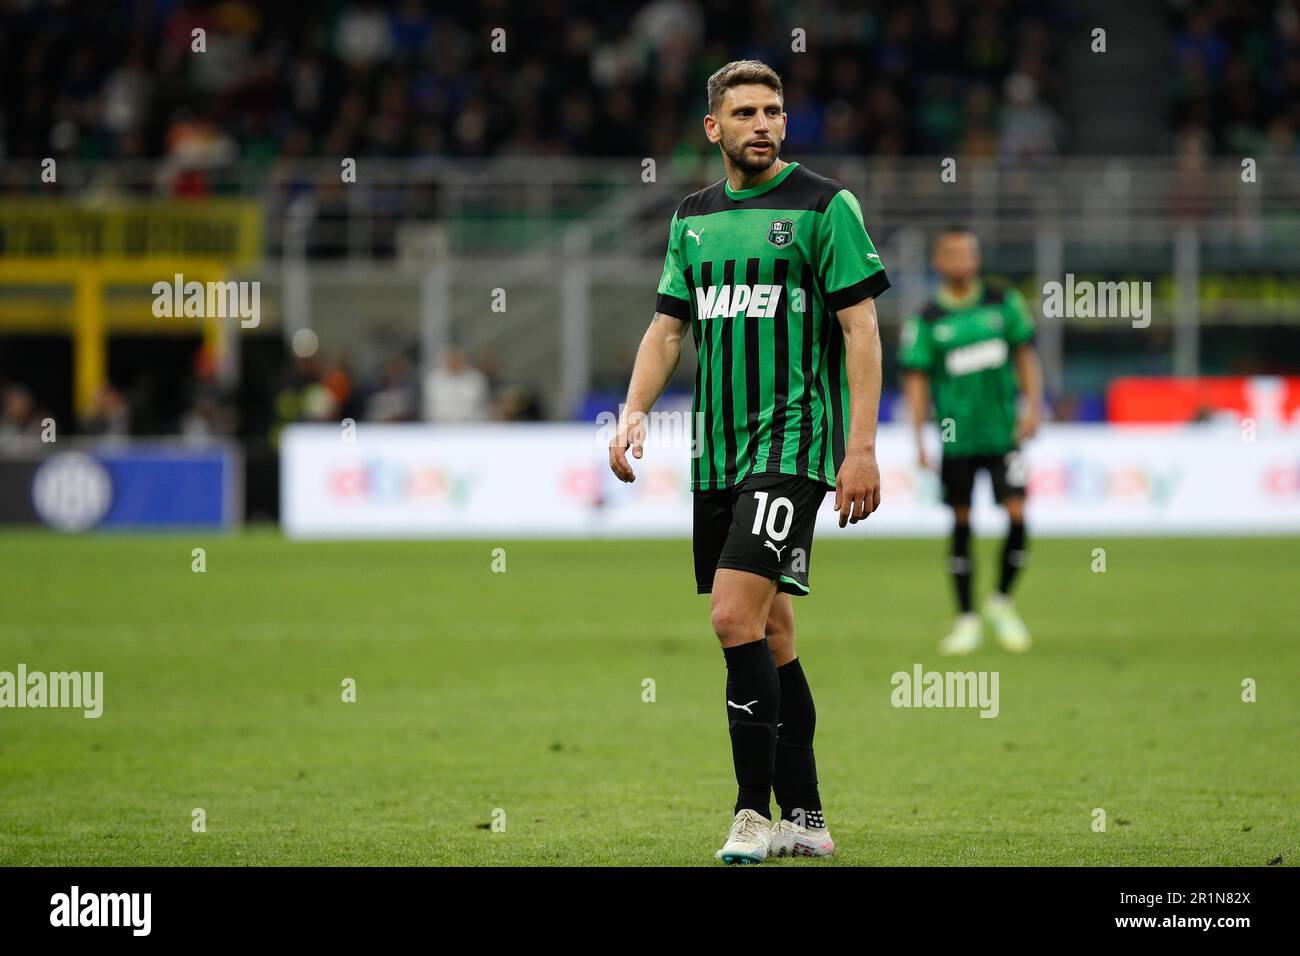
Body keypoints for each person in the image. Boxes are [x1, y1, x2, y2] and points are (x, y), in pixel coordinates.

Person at [608, 60, 890, 864]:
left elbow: (860, 330)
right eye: (745, 112)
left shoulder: (825, 206)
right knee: (771, 632)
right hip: (719, 456)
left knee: (731, 616)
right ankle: (806, 816)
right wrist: (632, 414)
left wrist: (860, 447)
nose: (763, 124)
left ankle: (750, 814)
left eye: (773, 111)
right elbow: (667, 330)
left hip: (792, 446)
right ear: (714, 128)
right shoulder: (691, 220)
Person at [898, 226, 1043, 656]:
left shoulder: (1004, 302)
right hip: (955, 438)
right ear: (938, 262)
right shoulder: (927, 319)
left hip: (1004, 433)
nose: (963, 260)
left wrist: (1033, 408)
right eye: (953, 253)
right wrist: (920, 437)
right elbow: (917, 380)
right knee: (961, 522)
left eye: (969, 252)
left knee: (1017, 513)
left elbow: (1026, 356)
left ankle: (1001, 602)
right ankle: (966, 619)